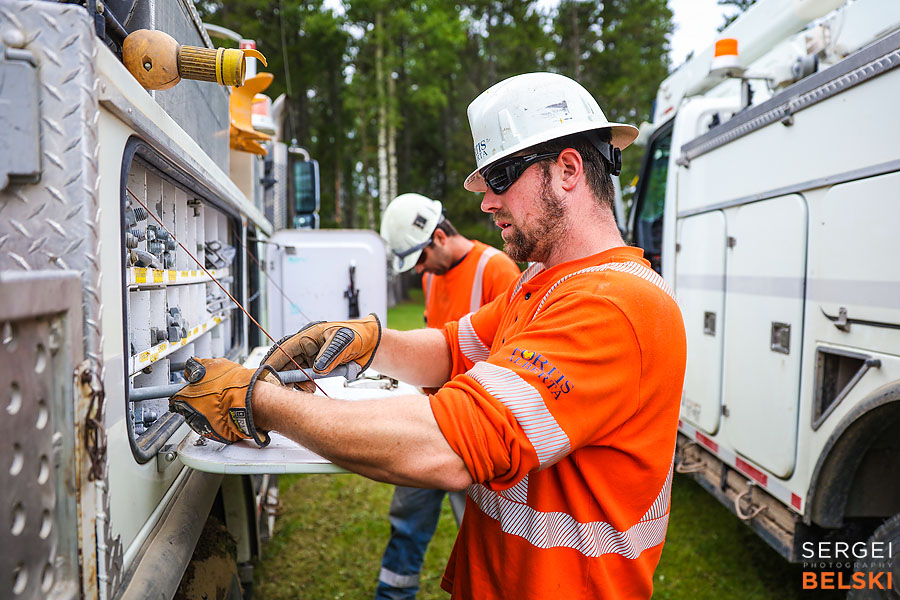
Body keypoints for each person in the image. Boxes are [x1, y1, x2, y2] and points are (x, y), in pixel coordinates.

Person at [170, 72, 687, 599]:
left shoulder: (616, 306)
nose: (486, 202)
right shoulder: (544, 283)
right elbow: (450, 349)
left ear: (569, 170)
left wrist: (258, 402)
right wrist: (363, 340)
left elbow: (447, 446)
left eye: (500, 177)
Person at [376, 193, 520, 599]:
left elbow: (513, 360)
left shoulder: (497, 270)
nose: (419, 270)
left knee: (481, 530)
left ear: (438, 236)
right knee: (406, 517)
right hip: (431, 419)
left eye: (419, 258)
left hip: (474, 432)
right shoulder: (429, 277)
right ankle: (392, 594)